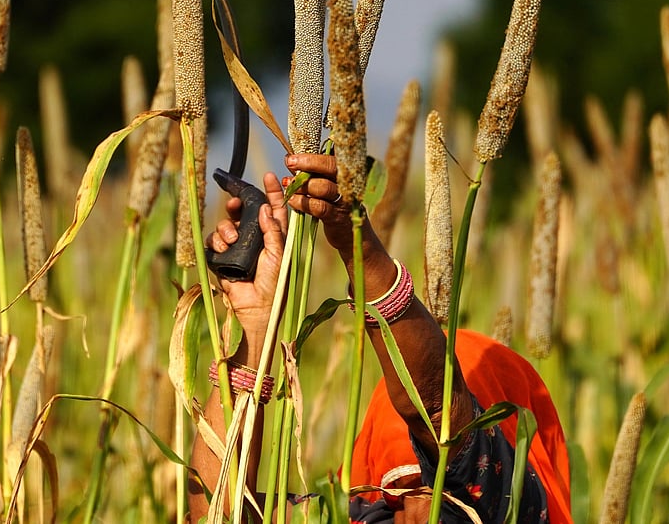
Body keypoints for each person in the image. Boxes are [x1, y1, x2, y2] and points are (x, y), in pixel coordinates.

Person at [190, 153, 572, 523]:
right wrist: (259, 322)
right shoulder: (365, 515)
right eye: (398, 481)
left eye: (435, 473)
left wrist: (362, 247)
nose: (414, 500)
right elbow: (217, 515)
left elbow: (434, 408)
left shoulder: (505, 505)